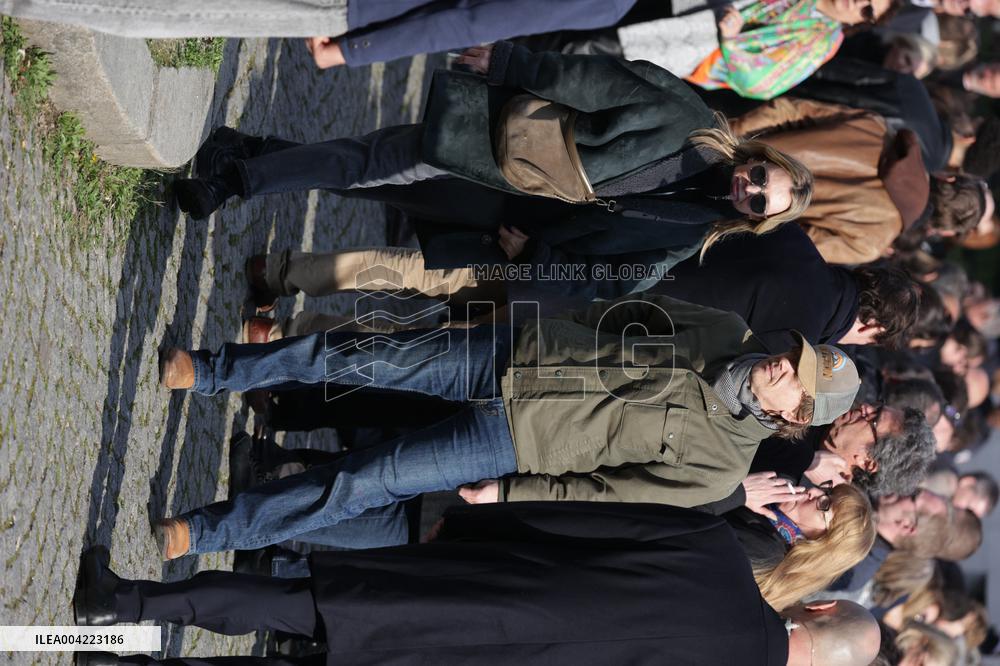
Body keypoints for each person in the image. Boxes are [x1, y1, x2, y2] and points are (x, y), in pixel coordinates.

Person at [153, 294, 859, 557]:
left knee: (366, 481)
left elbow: (605, 494)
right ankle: (212, 370)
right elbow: (632, 311)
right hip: (516, 353)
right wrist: (560, 325)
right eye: (793, 355)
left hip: (517, 441)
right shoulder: (727, 328)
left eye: (795, 378)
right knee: (360, 356)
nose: (782, 365)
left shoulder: (722, 468)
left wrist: (510, 493)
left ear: (794, 415)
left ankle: (206, 532)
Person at [175, 41, 812, 301]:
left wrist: (534, 257)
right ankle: (231, 183)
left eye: (761, 202)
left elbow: (613, 281)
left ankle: (249, 151)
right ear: (759, 157)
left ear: (756, 220)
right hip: (499, 147)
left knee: (365, 181)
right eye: (761, 176)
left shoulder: (691, 234)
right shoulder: (688, 117)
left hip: (500, 216)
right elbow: (598, 81)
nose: (750, 189)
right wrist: (512, 64)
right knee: (373, 163)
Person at [72, 502, 882, 666]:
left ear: (819, 605)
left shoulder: (715, 550)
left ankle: (121, 604)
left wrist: (473, 529)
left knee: (300, 606)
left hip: (485, 595)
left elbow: (580, 523)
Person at [244, 224, 920, 348]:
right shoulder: (794, 347)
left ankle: (282, 271)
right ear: (873, 327)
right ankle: (281, 336)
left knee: (425, 273)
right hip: (589, 328)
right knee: (423, 342)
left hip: (586, 266)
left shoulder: (794, 239)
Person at [729, 98, 991, 264]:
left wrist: (731, 140)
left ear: (947, 176)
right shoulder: (872, 242)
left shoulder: (878, 129)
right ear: (941, 231)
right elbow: (786, 243)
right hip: (730, 208)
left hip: (725, 145)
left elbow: (790, 110)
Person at [684, 0, 896, 99]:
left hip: (695, 48)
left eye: (868, 10)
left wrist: (730, 40)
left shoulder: (821, 42)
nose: (859, 2)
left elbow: (761, 83)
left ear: (861, 23)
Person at [724, 483, 876, 611]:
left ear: (822, 542)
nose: (813, 491)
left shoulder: (765, 551)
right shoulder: (770, 514)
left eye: (825, 504)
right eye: (828, 491)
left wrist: (740, 493)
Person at [750, 402, 936, 497]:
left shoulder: (803, 496)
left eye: (874, 419)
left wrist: (806, 461)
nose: (865, 407)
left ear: (868, 461)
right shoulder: (821, 406)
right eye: (878, 405)